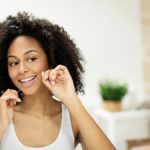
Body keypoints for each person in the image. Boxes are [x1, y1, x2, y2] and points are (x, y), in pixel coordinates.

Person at [0, 12, 115, 150]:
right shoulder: (2, 113)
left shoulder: (71, 117)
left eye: (31, 58)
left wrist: (72, 100)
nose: (21, 69)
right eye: (13, 63)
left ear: (51, 60)